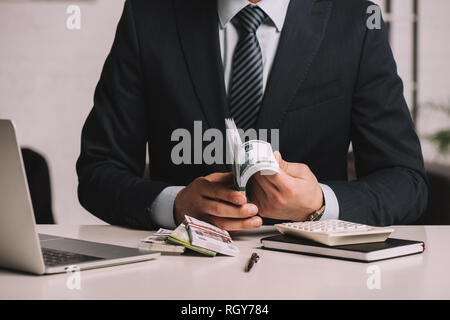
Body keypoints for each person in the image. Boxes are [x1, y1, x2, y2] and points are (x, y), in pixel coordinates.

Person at [76, 0, 428, 231]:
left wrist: (320, 205)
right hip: (181, 273)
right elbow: (99, 171)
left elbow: (405, 180)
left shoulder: (355, 21)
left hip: (315, 276)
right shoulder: (149, 14)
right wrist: (174, 204)